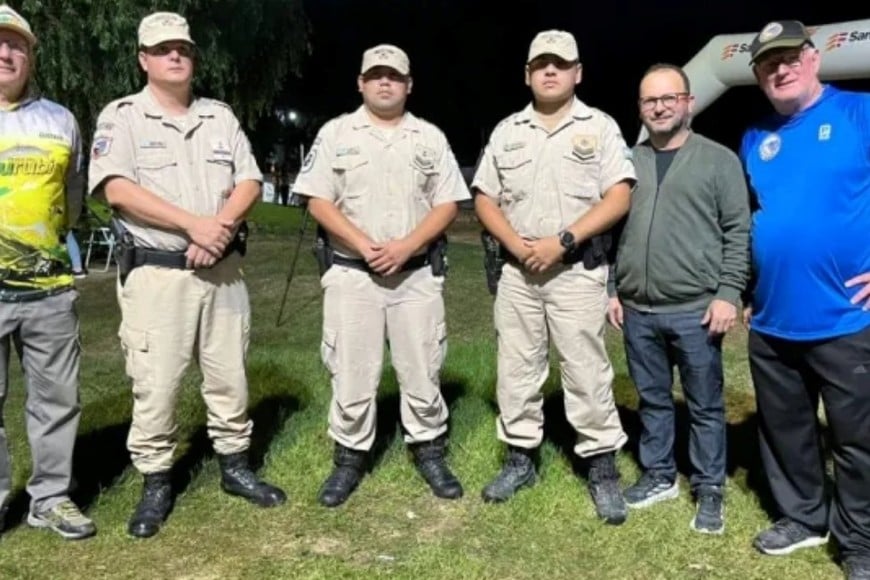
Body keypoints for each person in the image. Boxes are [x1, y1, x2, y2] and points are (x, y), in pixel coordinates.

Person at [87, 11, 285, 539]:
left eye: (184, 48)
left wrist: (218, 228)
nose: (176, 55)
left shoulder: (219, 116)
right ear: (143, 60)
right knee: (157, 383)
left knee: (229, 376)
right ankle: (156, 482)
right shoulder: (123, 117)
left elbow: (250, 180)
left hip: (223, 273)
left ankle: (235, 467)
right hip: (158, 277)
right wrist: (194, 226)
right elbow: (117, 190)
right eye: (163, 48)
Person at [292, 43, 470, 507]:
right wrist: (362, 243)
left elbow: (449, 201)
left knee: (422, 367)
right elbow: (316, 198)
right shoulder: (335, 134)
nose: (384, 82)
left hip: (415, 275)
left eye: (394, 75)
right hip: (354, 274)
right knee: (351, 371)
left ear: (409, 85)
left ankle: (429, 450)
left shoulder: (429, 137)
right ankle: (349, 459)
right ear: (361, 82)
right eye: (375, 75)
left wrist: (408, 245)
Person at [472, 30, 635, 524]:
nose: (549, 71)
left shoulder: (600, 127)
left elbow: (619, 195)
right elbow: (484, 197)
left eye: (559, 64)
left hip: (576, 270)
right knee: (517, 368)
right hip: (519, 273)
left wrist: (562, 241)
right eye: (540, 64)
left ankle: (602, 469)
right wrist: (515, 245)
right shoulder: (507, 130)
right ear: (527, 74)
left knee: (586, 369)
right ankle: (521, 460)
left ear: (577, 73)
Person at [740, 20, 870, 578]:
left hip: (845, 318)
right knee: (786, 431)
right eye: (769, 62)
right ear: (758, 75)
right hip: (771, 322)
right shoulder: (753, 139)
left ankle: (861, 539)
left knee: (858, 440)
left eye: (791, 56)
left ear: (814, 59)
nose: (781, 68)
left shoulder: (858, 114)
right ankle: (803, 517)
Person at [606, 63, 750, 534]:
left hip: (695, 309)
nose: (660, 106)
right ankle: (659, 474)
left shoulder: (718, 160)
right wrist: (614, 288)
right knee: (652, 399)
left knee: (705, 404)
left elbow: (737, 231)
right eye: (650, 100)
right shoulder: (628, 161)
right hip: (638, 309)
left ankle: (709, 489)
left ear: (688, 102)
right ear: (640, 108)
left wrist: (729, 292)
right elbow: (612, 232)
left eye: (670, 98)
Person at [0, 5, 95, 539]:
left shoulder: (61, 120)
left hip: (48, 291)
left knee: (57, 400)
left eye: (16, 44)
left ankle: (50, 498)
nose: (5, 53)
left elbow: (74, 200)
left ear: (31, 56)